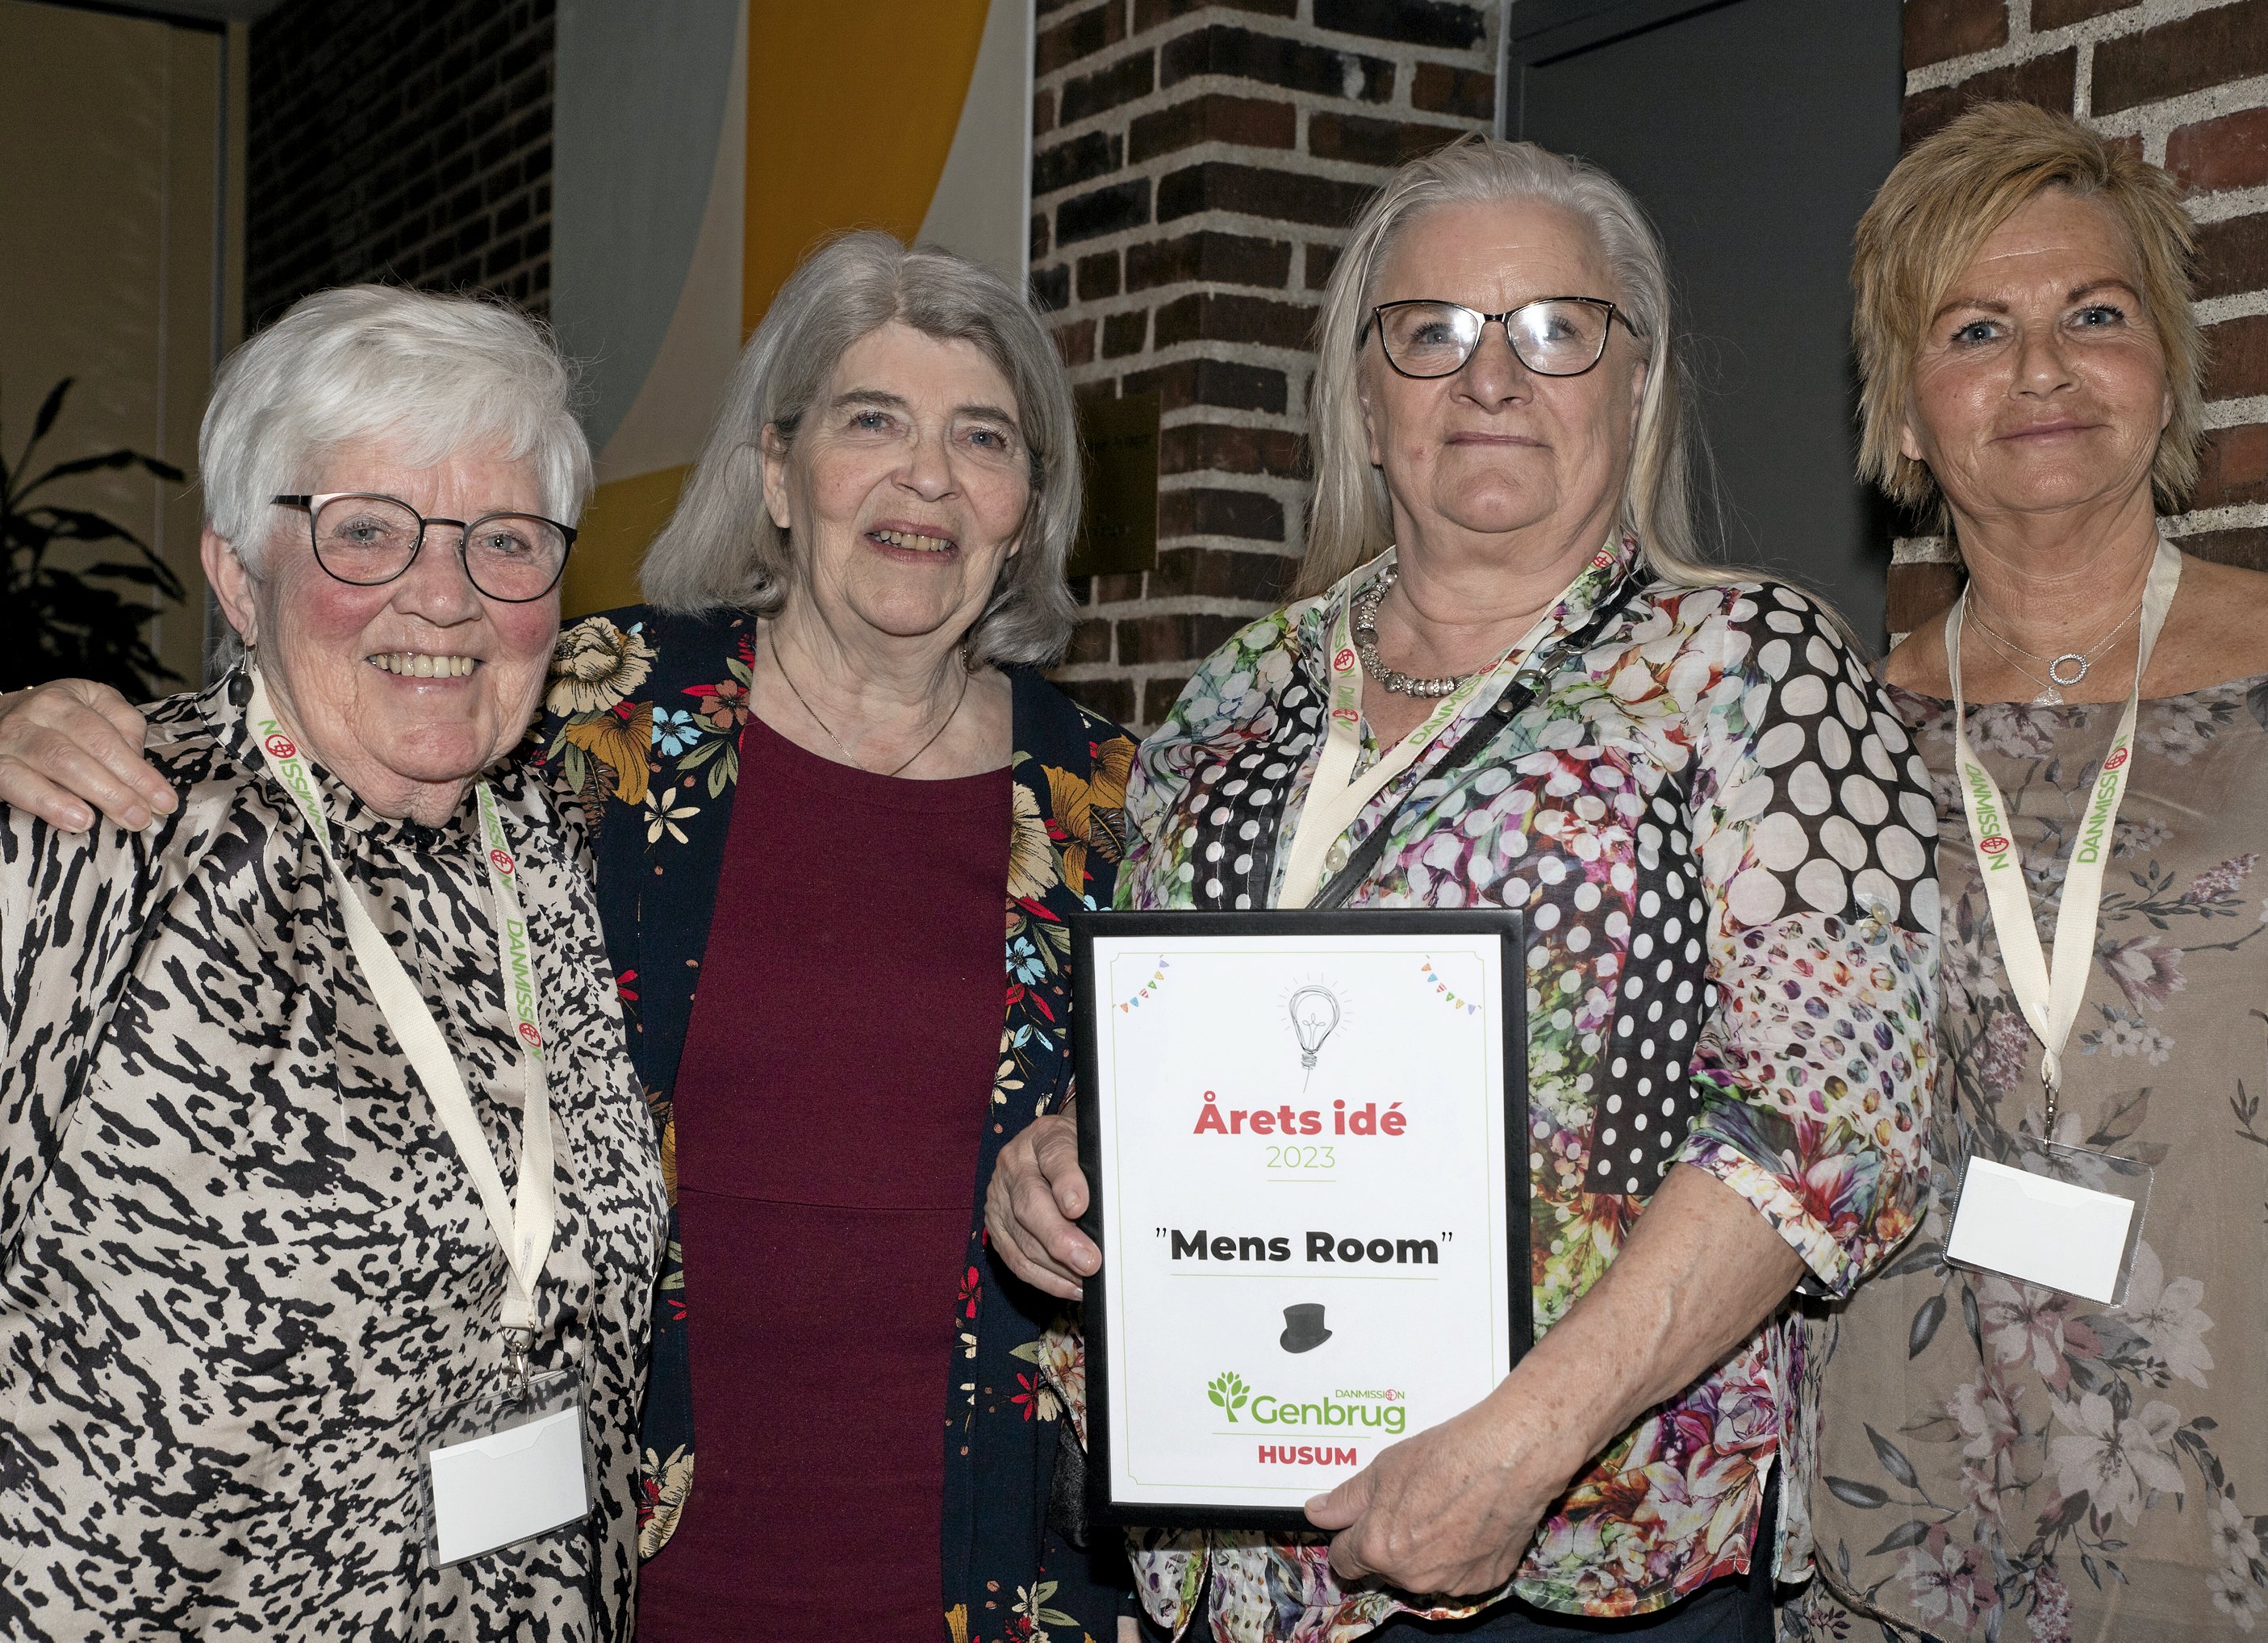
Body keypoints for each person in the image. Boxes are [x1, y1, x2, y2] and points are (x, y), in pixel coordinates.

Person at [0, 235, 1138, 1641]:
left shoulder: (1121, 811)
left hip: (985, 1568)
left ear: (1026, 506)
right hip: (640, 1574)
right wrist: (30, 722)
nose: (927, 477)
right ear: (777, 473)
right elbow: (328, 727)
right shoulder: (596, 725)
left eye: (982, 437)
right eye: (871, 421)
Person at [988, 136, 1940, 1641]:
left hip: (1572, 1566)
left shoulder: (1751, 668)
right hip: (1233, 1564)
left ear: (1636, 383)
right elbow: (1174, 1052)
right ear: (1366, 398)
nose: (1491, 380)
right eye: (1432, 334)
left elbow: (1834, 1121)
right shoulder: (1235, 697)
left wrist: (1520, 1444)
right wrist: (1063, 1160)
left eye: (1555, 329)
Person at [1786, 102, 2268, 1643]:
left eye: (2094, 315)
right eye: (1977, 327)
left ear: (2165, 368)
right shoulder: (1835, 738)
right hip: (1897, 1565)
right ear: (1907, 413)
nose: (2041, 366)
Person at [0, 285, 667, 1635]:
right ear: (241, 576)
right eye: (366, 531)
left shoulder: (552, 855)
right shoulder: (95, 833)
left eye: (504, 539)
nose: (443, 595)